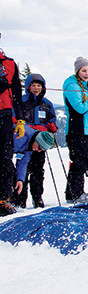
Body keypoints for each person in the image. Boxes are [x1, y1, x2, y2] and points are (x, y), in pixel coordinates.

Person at [13, 73, 57, 209]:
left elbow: (52, 119)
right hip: (25, 138)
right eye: (34, 85)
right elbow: (15, 118)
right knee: (23, 169)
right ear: (28, 87)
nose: (36, 88)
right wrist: (30, 128)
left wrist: (51, 127)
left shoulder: (47, 104)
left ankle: (37, 197)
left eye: (39, 86)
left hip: (40, 141)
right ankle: (20, 198)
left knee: (38, 171)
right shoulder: (21, 101)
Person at [63, 57, 88, 205]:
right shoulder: (71, 85)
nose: (87, 74)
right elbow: (80, 107)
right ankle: (74, 193)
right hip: (77, 129)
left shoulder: (85, 88)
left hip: (87, 130)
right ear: (77, 71)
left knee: (85, 160)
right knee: (79, 161)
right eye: (84, 70)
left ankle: (76, 191)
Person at [0, 42, 24, 216]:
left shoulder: (9, 63)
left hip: (5, 116)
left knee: (5, 158)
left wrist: (21, 118)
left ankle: (3, 199)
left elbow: (17, 93)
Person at [13, 128, 55, 209]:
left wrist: (20, 180)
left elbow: (22, 163)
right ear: (37, 140)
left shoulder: (28, 146)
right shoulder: (22, 137)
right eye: (39, 148)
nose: (38, 151)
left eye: (41, 150)